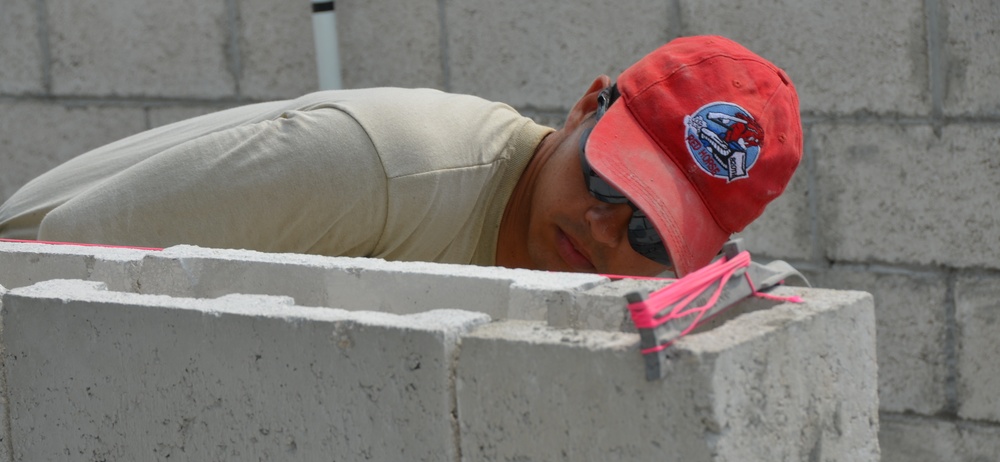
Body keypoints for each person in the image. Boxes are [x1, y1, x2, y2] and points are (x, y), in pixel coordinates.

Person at [0, 35, 801, 278]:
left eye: (649, 233)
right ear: (587, 105)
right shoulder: (382, 168)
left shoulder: (610, 289)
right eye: (603, 180)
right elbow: (55, 272)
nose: (600, 230)